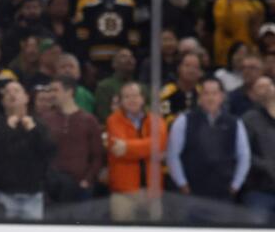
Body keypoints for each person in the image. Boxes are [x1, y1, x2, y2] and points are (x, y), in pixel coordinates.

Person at [167, 77, 252, 216]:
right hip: (192, 191)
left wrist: (236, 185)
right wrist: (182, 183)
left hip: (223, 192)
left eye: (214, 93)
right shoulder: (184, 120)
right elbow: (173, 154)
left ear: (222, 96)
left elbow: (244, 156)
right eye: (206, 93)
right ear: (200, 97)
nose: (210, 98)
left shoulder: (234, 123)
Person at [0, 80, 55, 220]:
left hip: (33, 194)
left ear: (26, 97)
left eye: (16, 91)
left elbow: (49, 151)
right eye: (7, 92)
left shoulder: (38, 125)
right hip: (2, 193)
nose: (11, 94)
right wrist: (8, 130)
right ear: (3, 101)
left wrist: (33, 131)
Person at [105, 81, 167, 222]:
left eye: (135, 96)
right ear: (121, 101)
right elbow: (117, 149)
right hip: (123, 193)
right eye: (126, 97)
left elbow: (160, 144)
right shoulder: (112, 121)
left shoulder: (157, 120)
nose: (131, 100)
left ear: (143, 98)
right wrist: (148, 147)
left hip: (153, 193)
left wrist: (127, 147)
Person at [38, 75, 104, 207]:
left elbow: (98, 155)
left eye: (55, 90)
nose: (51, 94)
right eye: (50, 90)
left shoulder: (89, 120)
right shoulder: (45, 119)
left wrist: (87, 180)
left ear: (69, 92)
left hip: (80, 186)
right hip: (51, 187)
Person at [241, 76, 275, 224]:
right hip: (259, 190)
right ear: (253, 94)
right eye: (261, 87)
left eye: (269, 86)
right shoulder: (249, 119)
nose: (266, 90)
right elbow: (244, 154)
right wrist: (267, 166)